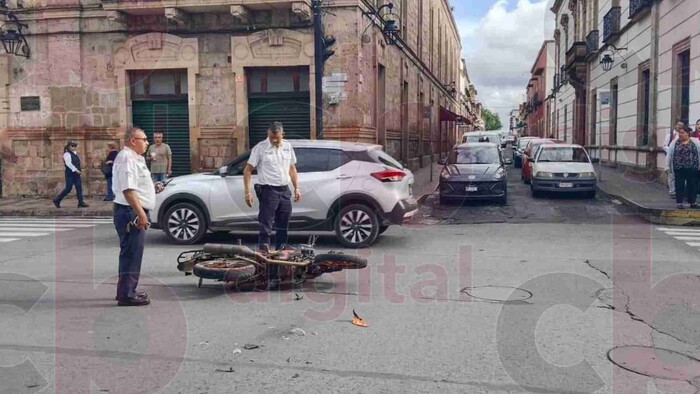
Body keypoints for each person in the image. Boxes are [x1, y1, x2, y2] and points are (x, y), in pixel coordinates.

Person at [243, 122, 301, 289]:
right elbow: (247, 170)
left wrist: (296, 187)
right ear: (268, 134)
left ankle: (282, 259)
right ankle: (265, 263)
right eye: (272, 138)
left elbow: (292, 168)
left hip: (285, 191)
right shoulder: (260, 148)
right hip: (268, 191)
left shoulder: (287, 146)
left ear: (282, 134)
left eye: (277, 138)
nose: (274, 140)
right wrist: (247, 192)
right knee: (266, 226)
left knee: (284, 225)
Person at [112, 126, 163, 306]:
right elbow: (128, 190)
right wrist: (141, 214)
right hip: (130, 211)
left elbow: (137, 186)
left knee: (131, 253)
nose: (147, 143)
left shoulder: (135, 158)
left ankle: (126, 291)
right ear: (133, 141)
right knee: (132, 253)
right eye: (145, 139)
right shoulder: (127, 158)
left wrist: (153, 188)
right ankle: (127, 295)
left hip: (131, 209)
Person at [666, 127, 700, 209]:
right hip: (679, 168)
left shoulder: (695, 142)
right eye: (679, 133)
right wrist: (667, 166)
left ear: (688, 133)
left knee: (692, 185)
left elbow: (699, 153)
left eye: (682, 133)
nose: (680, 135)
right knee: (679, 185)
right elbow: (669, 155)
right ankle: (679, 203)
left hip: (692, 168)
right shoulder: (674, 143)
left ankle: (693, 202)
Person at [53, 140, 89, 208]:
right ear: (69, 147)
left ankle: (81, 202)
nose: (74, 147)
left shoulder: (74, 154)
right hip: (70, 173)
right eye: (73, 146)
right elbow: (68, 163)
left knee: (79, 187)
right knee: (68, 188)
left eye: (75, 146)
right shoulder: (67, 154)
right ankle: (57, 200)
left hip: (76, 173)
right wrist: (75, 170)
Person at [663, 122, 684, 198]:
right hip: (671, 157)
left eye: (681, 126)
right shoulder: (670, 135)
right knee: (671, 175)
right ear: (676, 126)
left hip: (680, 158)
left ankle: (679, 191)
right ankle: (672, 192)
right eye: (678, 125)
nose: (679, 127)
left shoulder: (683, 135)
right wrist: (671, 152)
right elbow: (664, 145)